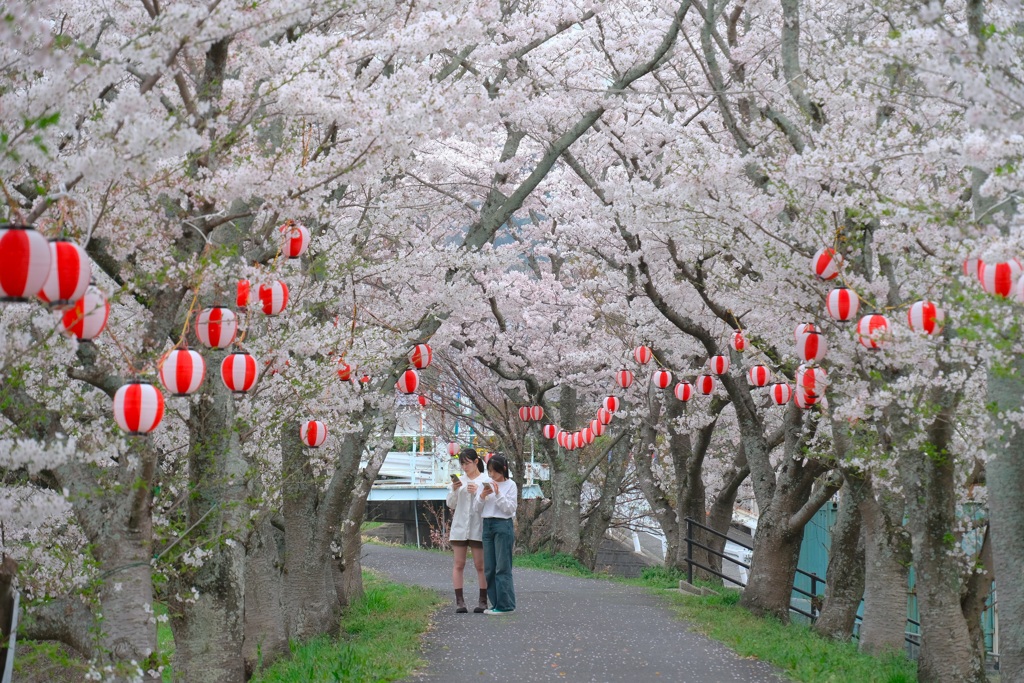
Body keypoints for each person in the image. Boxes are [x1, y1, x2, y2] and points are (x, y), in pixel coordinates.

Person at [446, 447, 490, 613]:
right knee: (459, 563)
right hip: (460, 526)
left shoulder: (485, 479)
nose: (465, 467)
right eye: (462, 464)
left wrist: (479, 491)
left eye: (467, 463)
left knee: (480, 565)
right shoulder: (461, 481)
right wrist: (455, 489)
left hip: (478, 526)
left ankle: (483, 601)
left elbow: (491, 502)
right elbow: (450, 504)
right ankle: (460, 602)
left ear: (476, 462)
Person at [476, 454, 517, 615]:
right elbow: (476, 509)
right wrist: (482, 496)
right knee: (489, 568)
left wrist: (498, 494)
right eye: (489, 471)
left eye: (495, 471)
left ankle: (505, 605)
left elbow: (510, 509)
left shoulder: (511, 485)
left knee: (502, 567)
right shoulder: (484, 484)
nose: (492, 475)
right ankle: (496, 604)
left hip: (503, 525)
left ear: (504, 469)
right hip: (487, 525)